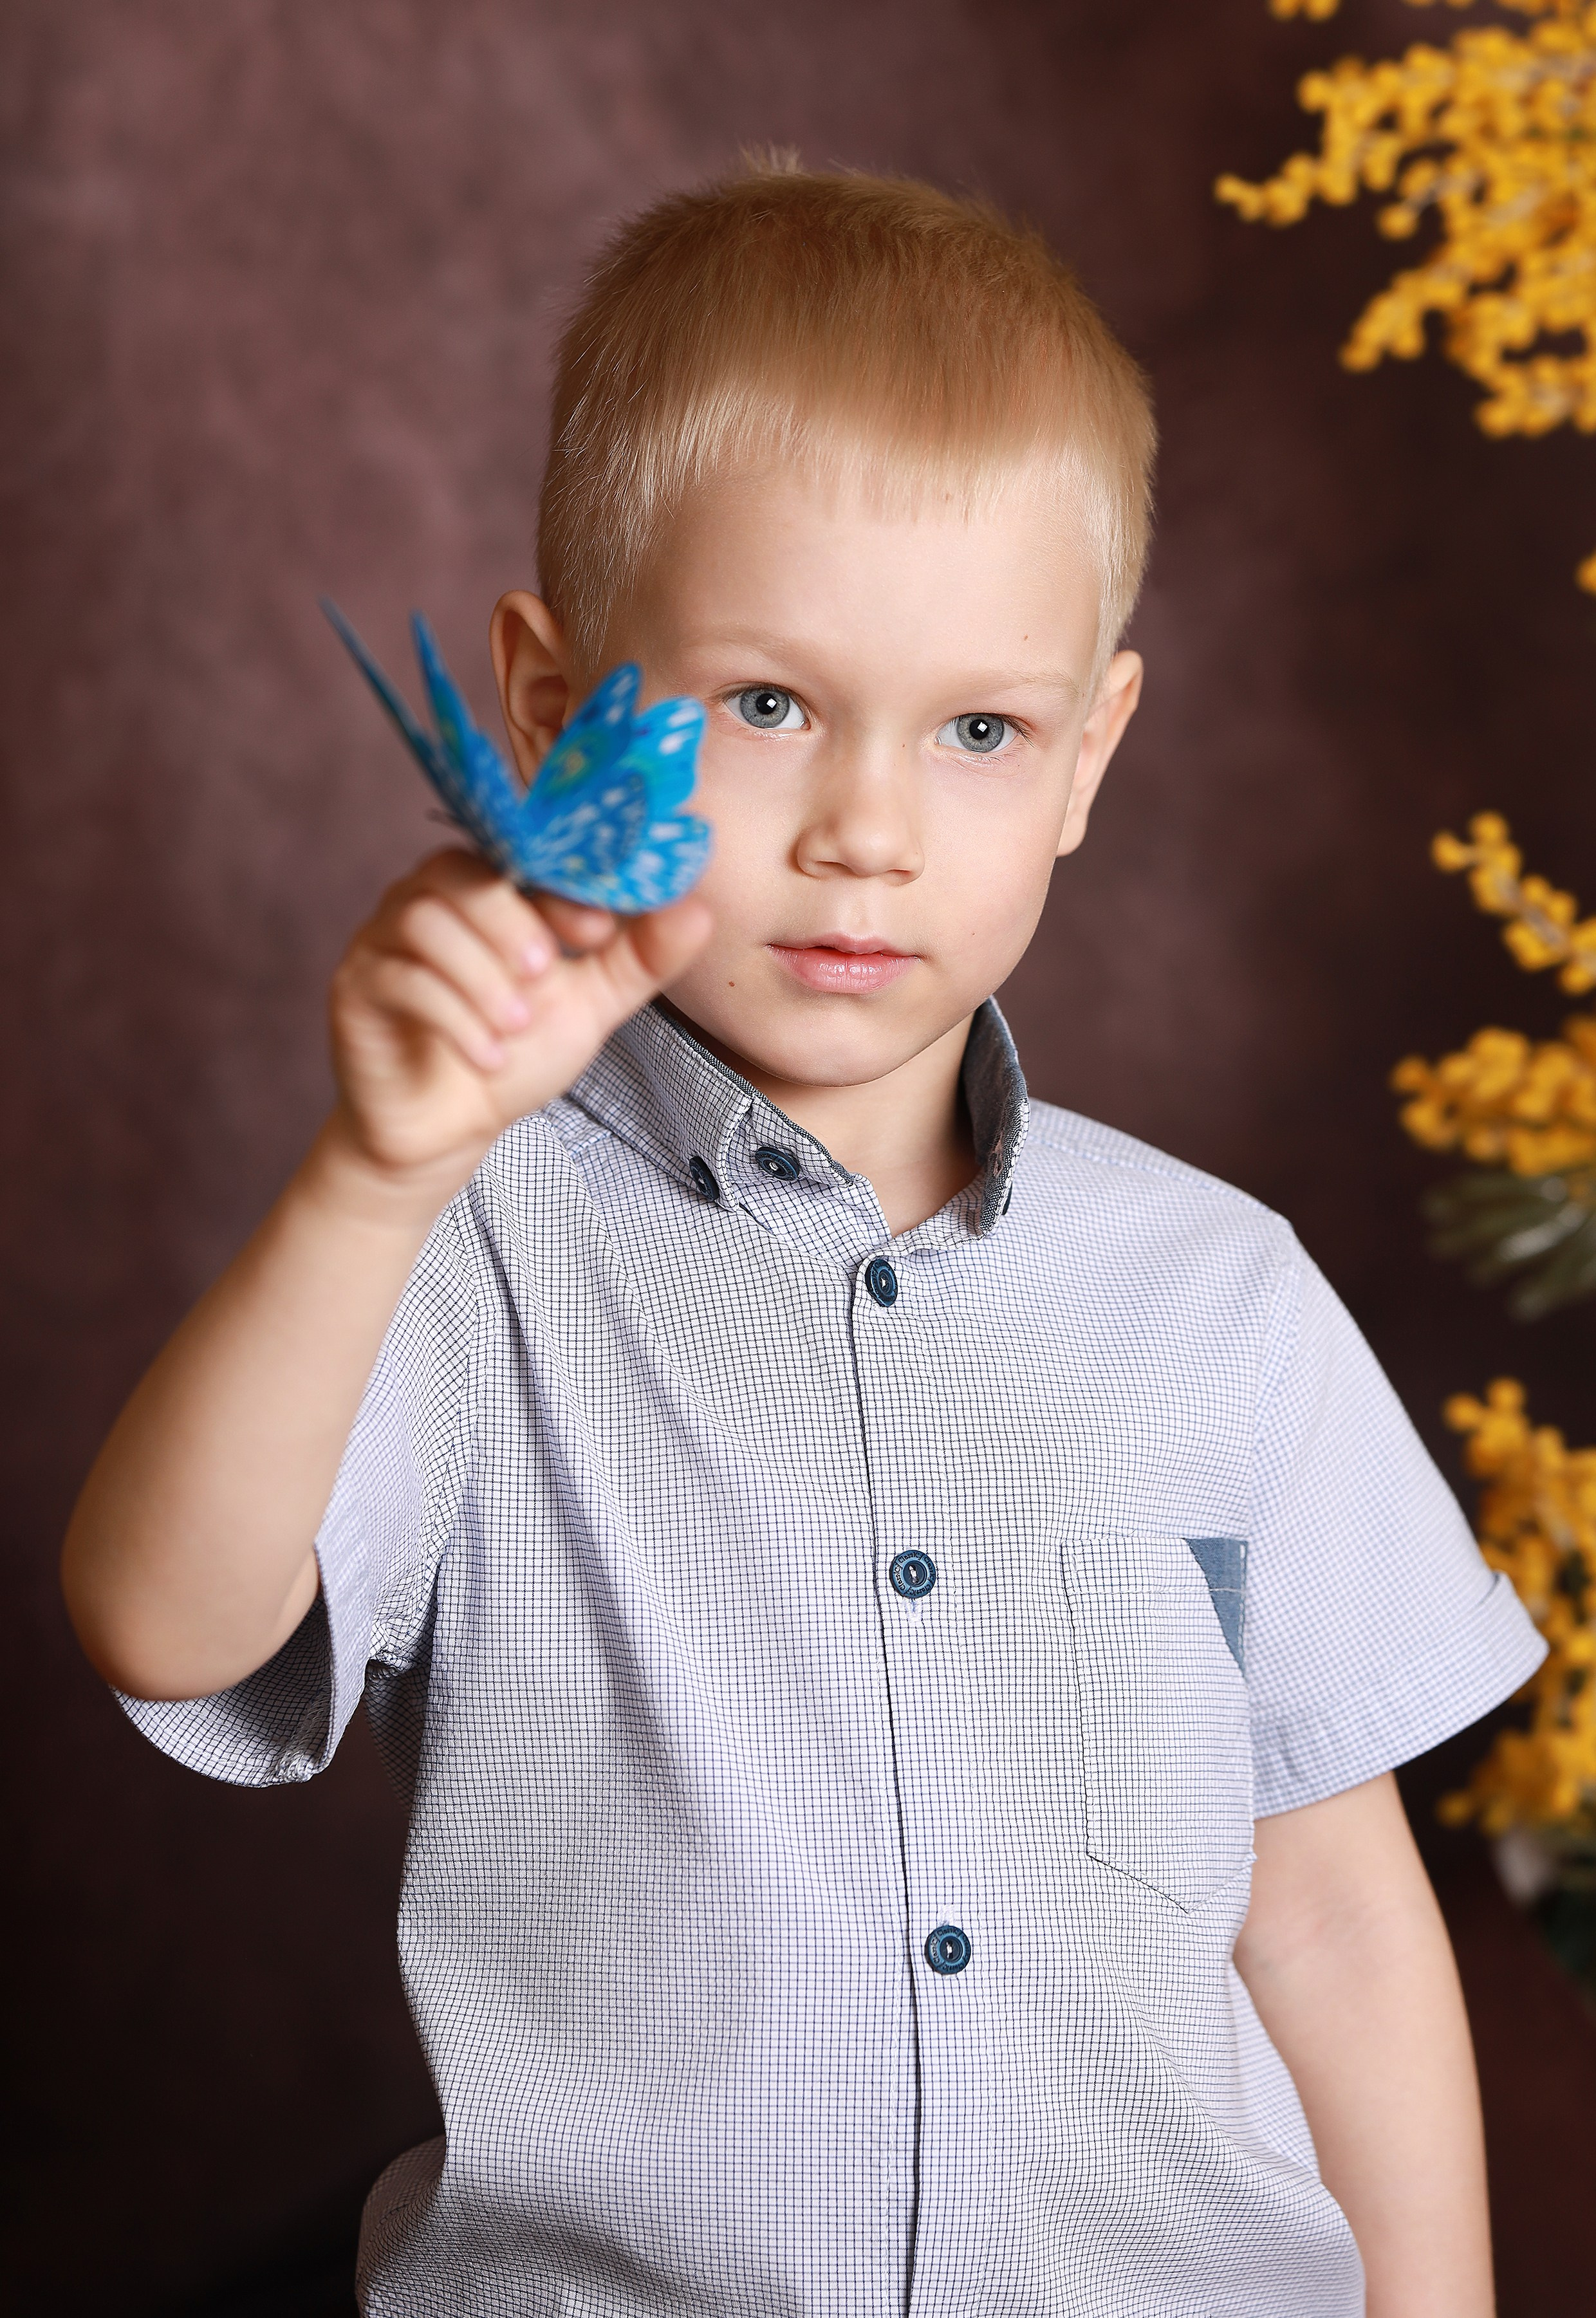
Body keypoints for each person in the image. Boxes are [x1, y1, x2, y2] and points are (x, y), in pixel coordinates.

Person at [61, 160, 1541, 2318]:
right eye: (768, 703)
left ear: (1088, 757)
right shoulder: (471, 1239)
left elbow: (1324, 1911)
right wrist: (369, 1181)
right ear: (560, 712)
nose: (867, 824)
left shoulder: (1219, 1293)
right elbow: (162, 1622)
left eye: (977, 730)